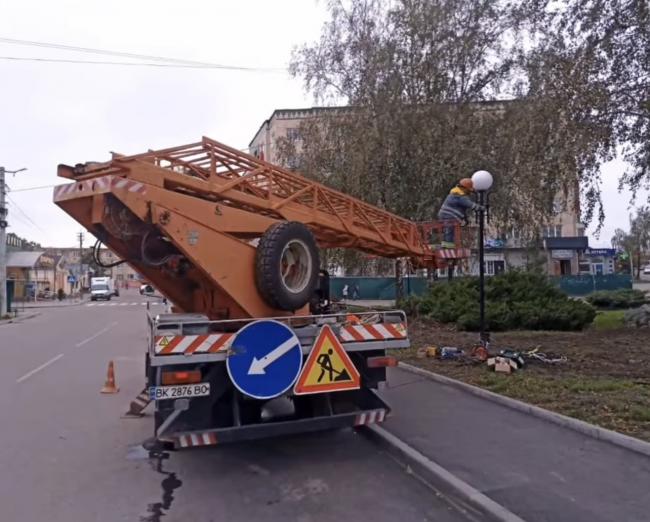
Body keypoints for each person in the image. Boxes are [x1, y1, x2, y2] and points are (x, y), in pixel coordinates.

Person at [437, 178, 482, 248]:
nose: (469, 192)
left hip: (446, 215)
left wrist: (465, 218)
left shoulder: (455, 193)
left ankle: (447, 245)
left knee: (448, 230)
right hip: (449, 216)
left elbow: (462, 209)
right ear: (465, 188)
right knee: (449, 230)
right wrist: (481, 208)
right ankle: (448, 247)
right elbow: (470, 205)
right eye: (469, 190)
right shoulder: (459, 196)